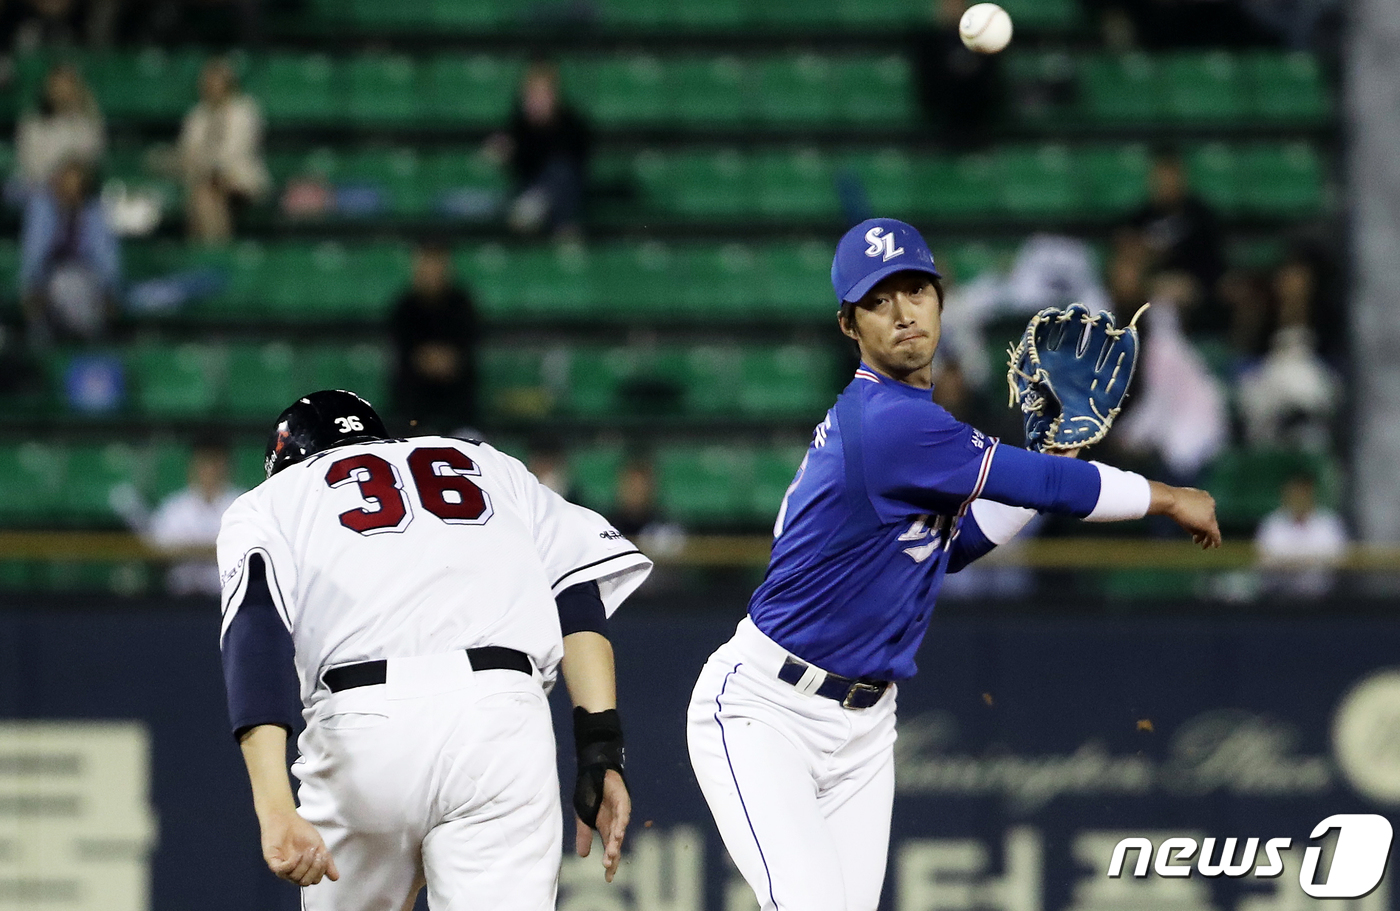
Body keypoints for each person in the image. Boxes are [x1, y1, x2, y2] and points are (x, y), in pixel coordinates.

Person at [685, 219, 1221, 911]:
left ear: (941, 300)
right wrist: (1168, 495)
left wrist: (1048, 464)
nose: (904, 311)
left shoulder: (913, 423)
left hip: (865, 723)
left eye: (916, 289)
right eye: (879, 300)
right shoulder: (888, 421)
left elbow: (953, 546)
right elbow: (1045, 487)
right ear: (850, 325)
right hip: (766, 710)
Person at [217, 389, 650, 909]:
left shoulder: (274, 498)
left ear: (284, 465)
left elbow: (256, 630)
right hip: (501, 720)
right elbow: (576, 596)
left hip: (364, 726)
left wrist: (274, 808)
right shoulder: (486, 464)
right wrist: (601, 752)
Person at [1124, 148, 1227, 335]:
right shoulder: (1141, 217)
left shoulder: (1200, 216)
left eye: (1171, 178)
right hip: (1149, 282)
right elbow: (1128, 249)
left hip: (1191, 283)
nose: (1166, 184)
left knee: (1168, 295)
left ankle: (1168, 348)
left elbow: (1212, 264)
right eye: (1161, 178)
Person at [20, 157, 120, 342]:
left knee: (75, 285)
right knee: (57, 287)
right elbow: (34, 253)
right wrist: (31, 287)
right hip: (48, 280)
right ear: (58, 182)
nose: (72, 189)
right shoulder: (42, 207)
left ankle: (88, 339)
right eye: (68, 182)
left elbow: (107, 257)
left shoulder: (95, 211)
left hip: (87, 279)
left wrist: (109, 290)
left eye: (78, 183)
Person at [487, 60, 591, 237]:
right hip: (525, 190)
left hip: (563, 197)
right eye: (531, 95)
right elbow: (519, 169)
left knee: (561, 172)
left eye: (542, 94)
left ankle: (543, 212)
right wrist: (506, 153)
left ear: (554, 96)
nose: (536, 101)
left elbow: (576, 168)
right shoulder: (519, 126)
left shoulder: (571, 124)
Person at [389, 242, 480, 433]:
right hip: (413, 403)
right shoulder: (404, 307)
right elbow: (406, 350)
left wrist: (446, 360)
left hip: (458, 401)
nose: (432, 272)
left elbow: (466, 346)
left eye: (437, 264)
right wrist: (427, 360)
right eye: (426, 264)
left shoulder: (462, 304)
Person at [178, 57, 269, 242]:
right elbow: (187, 150)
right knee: (204, 196)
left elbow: (235, 151)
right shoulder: (197, 114)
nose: (210, 86)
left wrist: (209, 167)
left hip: (240, 179)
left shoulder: (245, 111)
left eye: (215, 81)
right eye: (207, 82)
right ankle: (213, 252)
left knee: (205, 193)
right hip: (204, 179)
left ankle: (215, 253)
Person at [144, 437, 242, 596]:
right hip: (179, 600)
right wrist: (211, 551)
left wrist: (190, 551)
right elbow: (157, 552)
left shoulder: (243, 504)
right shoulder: (174, 508)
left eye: (216, 462)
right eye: (204, 462)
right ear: (193, 466)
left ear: (227, 466)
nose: (210, 470)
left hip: (229, 600)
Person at [13, 62, 105, 199]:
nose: (61, 91)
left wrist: (73, 178)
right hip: (36, 187)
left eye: (67, 84)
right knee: (41, 201)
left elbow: (92, 160)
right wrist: (59, 181)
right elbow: (29, 167)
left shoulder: (87, 123)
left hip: (78, 189)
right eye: (57, 85)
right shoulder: (33, 123)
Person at [1255, 469, 1348, 597]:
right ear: (1285, 495)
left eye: (1303, 492)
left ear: (1312, 493)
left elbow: (1338, 560)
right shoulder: (1272, 523)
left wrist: (1291, 561)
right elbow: (1264, 560)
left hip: (1322, 598)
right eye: (1294, 492)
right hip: (1278, 598)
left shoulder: (1329, 522)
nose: (1299, 497)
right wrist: (1309, 561)